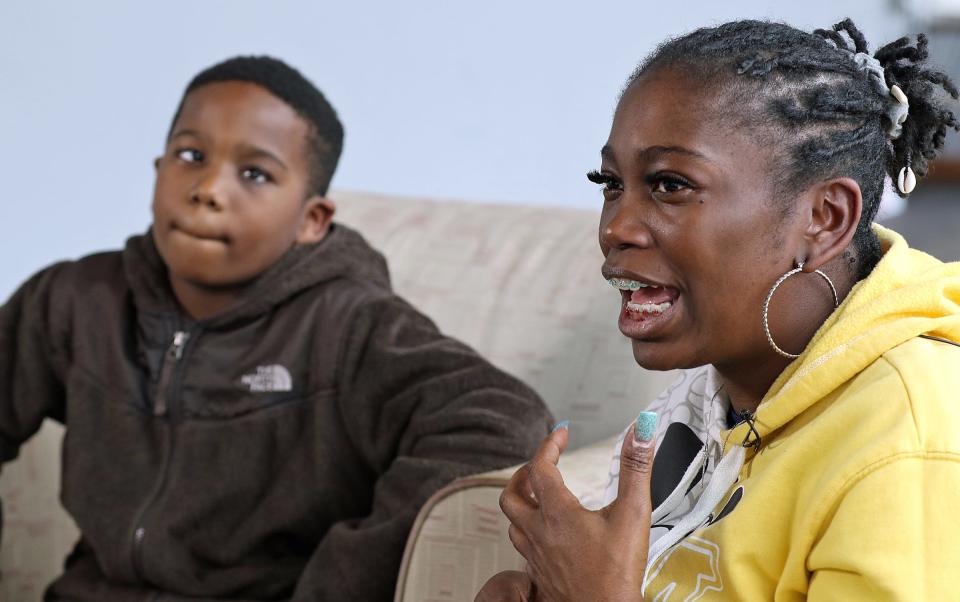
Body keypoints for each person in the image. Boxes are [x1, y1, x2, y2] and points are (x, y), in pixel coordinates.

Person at [0, 55, 553, 600]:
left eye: (254, 173)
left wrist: (343, 580)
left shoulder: (349, 327)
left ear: (312, 220)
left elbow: (505, 419)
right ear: (158, 169)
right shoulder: (74, 299)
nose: (208, 189)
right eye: (190, 155)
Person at [477, 18, 960, 601]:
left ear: (825, 218)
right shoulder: (708, 403)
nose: (616, 228)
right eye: (609, 183)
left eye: (671, 184)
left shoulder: (909, 439)